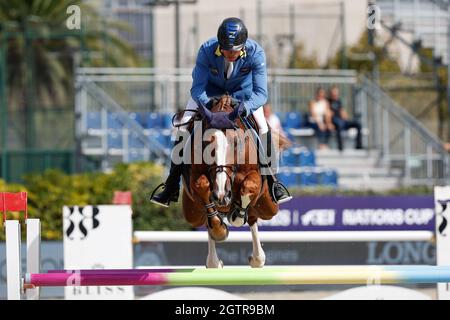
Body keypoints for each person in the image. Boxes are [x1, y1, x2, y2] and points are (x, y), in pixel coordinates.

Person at [150, 17, 292, 207]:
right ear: (220, 44)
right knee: (182, 128)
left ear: (243, 45)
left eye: (235, 49)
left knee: (264, 129)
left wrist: (245, 108)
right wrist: (210, 108)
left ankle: (274, 183)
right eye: (226, 49)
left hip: (244, 96)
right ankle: (171, 185)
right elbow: (197, 88)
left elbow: (261, 93)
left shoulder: (256, 53)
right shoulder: (206, 50)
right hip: (209, 94)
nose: (230, 53)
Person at [328, 86, 363, 151]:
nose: (335, 95)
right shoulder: (328, 102)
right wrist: (329, 123)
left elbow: (343, 112)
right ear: (331, 94)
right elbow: (328, 114)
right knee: (339, 124)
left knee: (358, 124)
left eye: (336, 93)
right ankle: (340, 147)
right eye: (334, 93)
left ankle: (359, 146)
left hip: (342, 121)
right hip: (335, 121)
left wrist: (346, 118)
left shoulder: (339, 101)